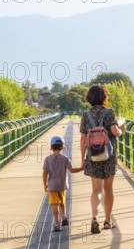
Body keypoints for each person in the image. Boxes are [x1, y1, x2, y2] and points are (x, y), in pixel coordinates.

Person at [80, 84, 126, 234]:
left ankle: (94, 218)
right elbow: (114, 131)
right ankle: (107, 221)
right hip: (108, 155)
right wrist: (121, 130)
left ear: (89, 98)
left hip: (92, 156)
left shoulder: (86, 115)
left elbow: (83, 139)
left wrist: (83, 158)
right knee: (108, 188)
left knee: (96, 190)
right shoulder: (109, 112)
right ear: (104, 97)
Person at [42, 135, 84, 232]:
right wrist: (82, 168)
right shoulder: (65, 159)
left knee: (55, 205)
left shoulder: (47, 159)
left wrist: (45, 184)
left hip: (52, 186)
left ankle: (57, 224)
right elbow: (72, 170)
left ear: (51, 147)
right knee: (62, 202)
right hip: (62, 185)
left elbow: (44, 173)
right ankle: (64, 217)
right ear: (62, 147)